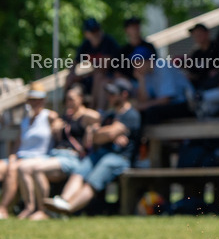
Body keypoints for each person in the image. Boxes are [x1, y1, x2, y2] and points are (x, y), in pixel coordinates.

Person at [44, 78, 141, 215]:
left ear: (124, 95)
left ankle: (68, 209)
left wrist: (106, 132)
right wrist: (107, 132)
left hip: (120, 158)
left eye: (113, 94)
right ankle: (63, 201)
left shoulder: (132, 115)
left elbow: (107, 133)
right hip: (102, 153)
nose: (109, 96)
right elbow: (95, 136)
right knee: (80, 170)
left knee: (94, 178)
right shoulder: (110, 115)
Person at [16, 85, 100, 220]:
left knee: (37, 169)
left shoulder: (84, 118)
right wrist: (56, 129)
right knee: (24, 168)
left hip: (71, 158)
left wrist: (81, 111)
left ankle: (44, 210)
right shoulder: (64, 118)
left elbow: (97, 116)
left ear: (81, 99)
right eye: (67, 100)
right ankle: (30, 207)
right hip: (56, 156)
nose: (68, 103)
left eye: (72, 99)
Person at [0, 85, 58, 219]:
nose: (35, 102)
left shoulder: (49, 116)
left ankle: (22, 207)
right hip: (20, 156)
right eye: (32, 99)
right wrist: (13, 156)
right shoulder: (25, 121)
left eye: (38, 99)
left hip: (39, 157)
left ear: (43, 100)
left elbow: (59, 130)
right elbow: (17, 145)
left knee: (16, 168)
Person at [66, 18, 120, 111]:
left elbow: (103, 68)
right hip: (95, 77)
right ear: (86, 34)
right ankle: (67, 111)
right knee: (69, 78)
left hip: (115, 76)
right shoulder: (86, 44)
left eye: (97, 30)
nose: (96, 34)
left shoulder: (108, 42)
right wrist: (72, 74)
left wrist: (82, 76)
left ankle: (96, 110)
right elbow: (74, 63)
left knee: (98, 77)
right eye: (92, 31)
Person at [133, 47, 194, 124]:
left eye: (139, 62)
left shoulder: (163, 67)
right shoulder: (145, 74)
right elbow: (144, 100)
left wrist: (142, 106)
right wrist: (141, 80)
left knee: (151, 111)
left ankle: (152, 136)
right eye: (135, 63)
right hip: (170, 105)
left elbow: (165, 100)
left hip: (186, 104)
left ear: (150, 61)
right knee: (140, 113)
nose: (136, 66)